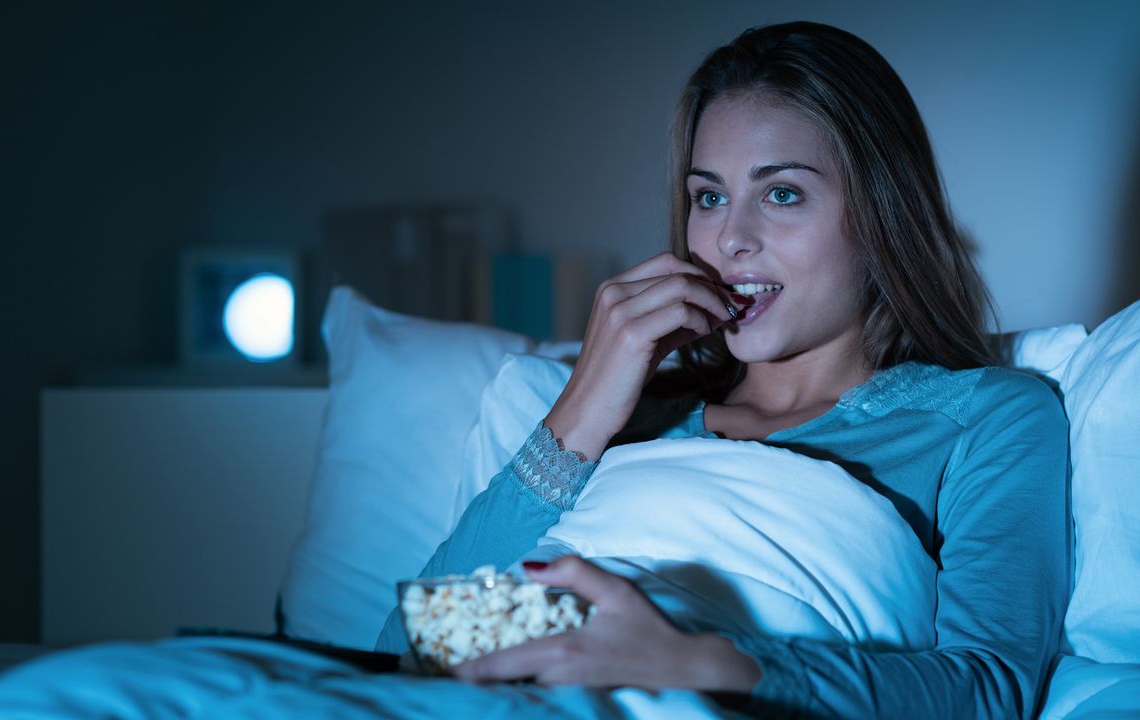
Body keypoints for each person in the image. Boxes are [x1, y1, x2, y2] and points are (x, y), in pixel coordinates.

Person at [375, 20, 1070, 719]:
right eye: (708, 197)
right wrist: (582, 408)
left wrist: (695, 661)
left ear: (882, 211)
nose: (730, 239)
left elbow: (988, 691)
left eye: (782, 194)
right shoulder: (630, 414)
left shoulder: (985, 416)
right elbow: (403, 648)